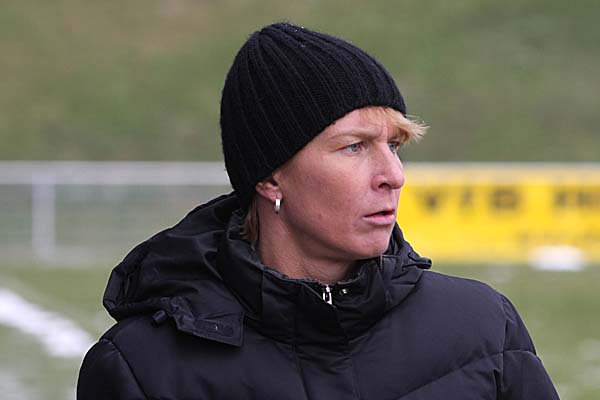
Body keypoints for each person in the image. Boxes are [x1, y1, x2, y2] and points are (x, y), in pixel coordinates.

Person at [77, 22, 559, 399]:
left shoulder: (483, 329)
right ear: (270, 177)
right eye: (354, 147)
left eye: (394, 145)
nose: (393, 175)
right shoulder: (142, 369)